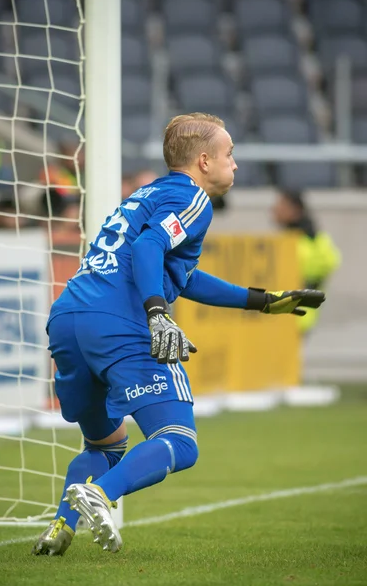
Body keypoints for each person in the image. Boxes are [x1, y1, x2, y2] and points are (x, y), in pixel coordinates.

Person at [32, 113, 325, 556]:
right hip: (119, 321)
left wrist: (261, 301)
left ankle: (60, 528)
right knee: (180, 442)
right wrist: (156, 313)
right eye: (230, 155)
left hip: (70, 318)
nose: (236, 165)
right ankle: (101, 494)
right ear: (204, 161)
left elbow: (182, 276)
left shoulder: (148, 194)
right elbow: (149, 248)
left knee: (104, 444)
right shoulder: (192, 197)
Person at [272, 189, 341, 333]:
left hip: (295, 317)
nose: (275, 209)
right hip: (291, 316)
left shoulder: (305, 242)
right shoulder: (297, 238)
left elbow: (327, 263)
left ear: (295, 210)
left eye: (282, 205)